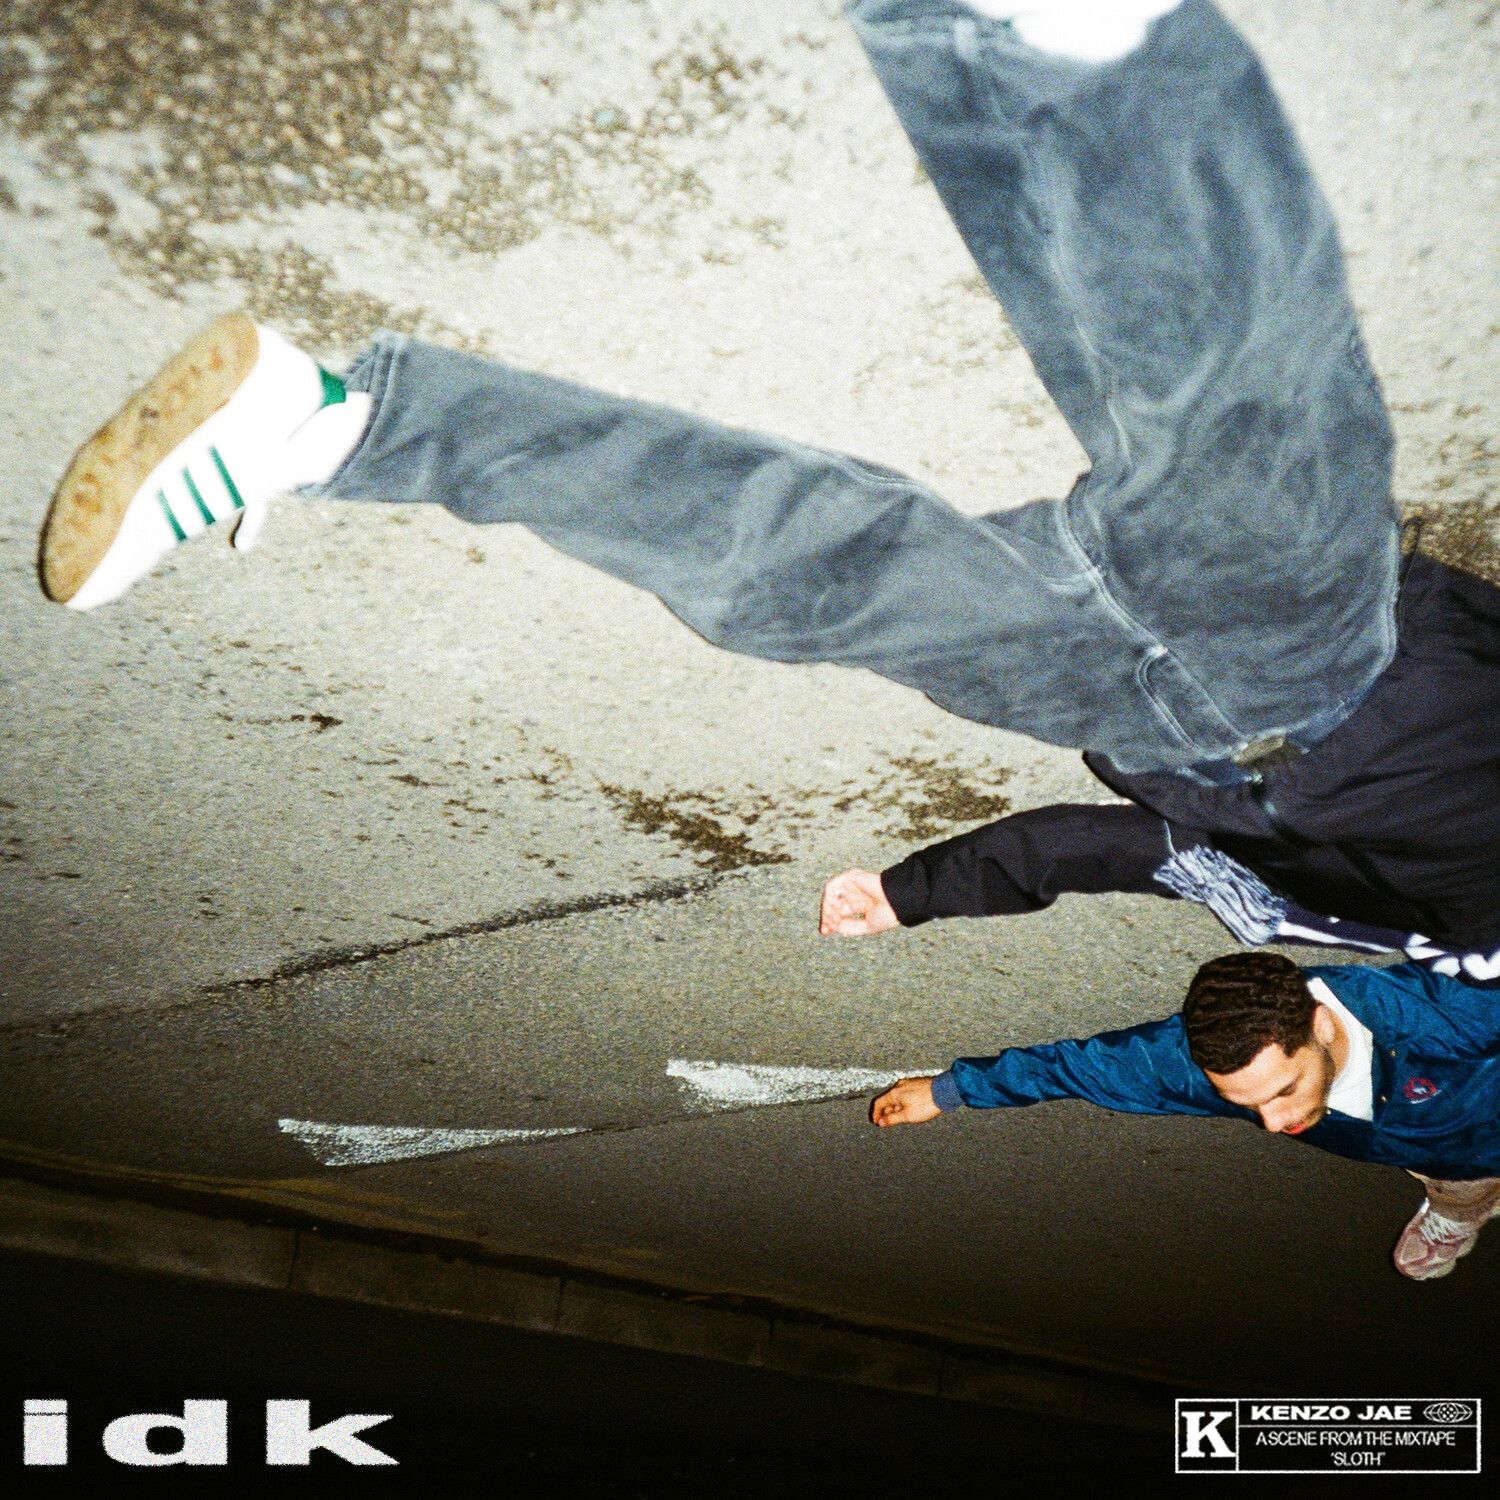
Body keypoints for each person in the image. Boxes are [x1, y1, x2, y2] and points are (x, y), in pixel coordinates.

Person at [37, 3, 1498, 958]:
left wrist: (923, 893)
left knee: (803, 583)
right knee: (1234, 406)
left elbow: (1168, 859)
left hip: (1137, 722)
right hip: (1342, 668)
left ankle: (334, 424)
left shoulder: (1427, 953)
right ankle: (1096, 51)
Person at [870, 951, 1500, 1280]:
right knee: (1455, 1181)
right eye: (1247, 1104)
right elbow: (1079, 1067)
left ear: (1324, 1025)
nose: (1274, 1123)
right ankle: (1457, 1208)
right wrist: (952, 1091)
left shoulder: (1452, 1013)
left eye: (1283, 1090)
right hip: (1434, 1154)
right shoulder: (1203, 1065)